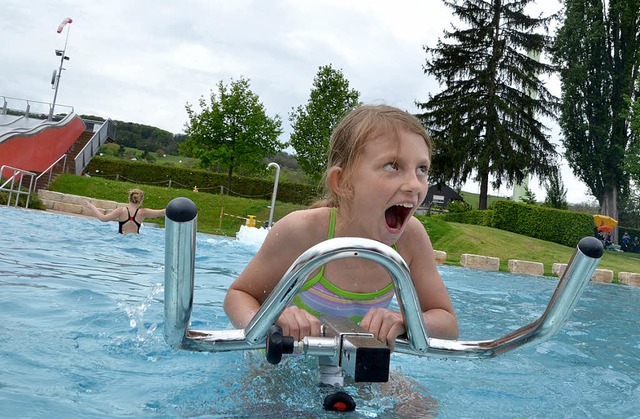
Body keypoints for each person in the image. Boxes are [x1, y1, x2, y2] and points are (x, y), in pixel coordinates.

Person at [223, 104, 459, 351]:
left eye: (422, 169)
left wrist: (406, 320)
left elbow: (448, 323)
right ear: (343, 182)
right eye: (393, 166)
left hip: (358, 368)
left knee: (415, 393)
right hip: (280, 364)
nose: (414, 184)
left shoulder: (411, 240)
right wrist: (270, 321)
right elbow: (238, 296)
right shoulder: (303, 232)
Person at [83, 188, 165, 234]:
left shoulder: (121, 211)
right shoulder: (143, 212)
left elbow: (103, 218)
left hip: (121, 239)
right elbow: (162, 212)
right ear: (141, 201)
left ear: (129, 198)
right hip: (135, 241)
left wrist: (91, 206)